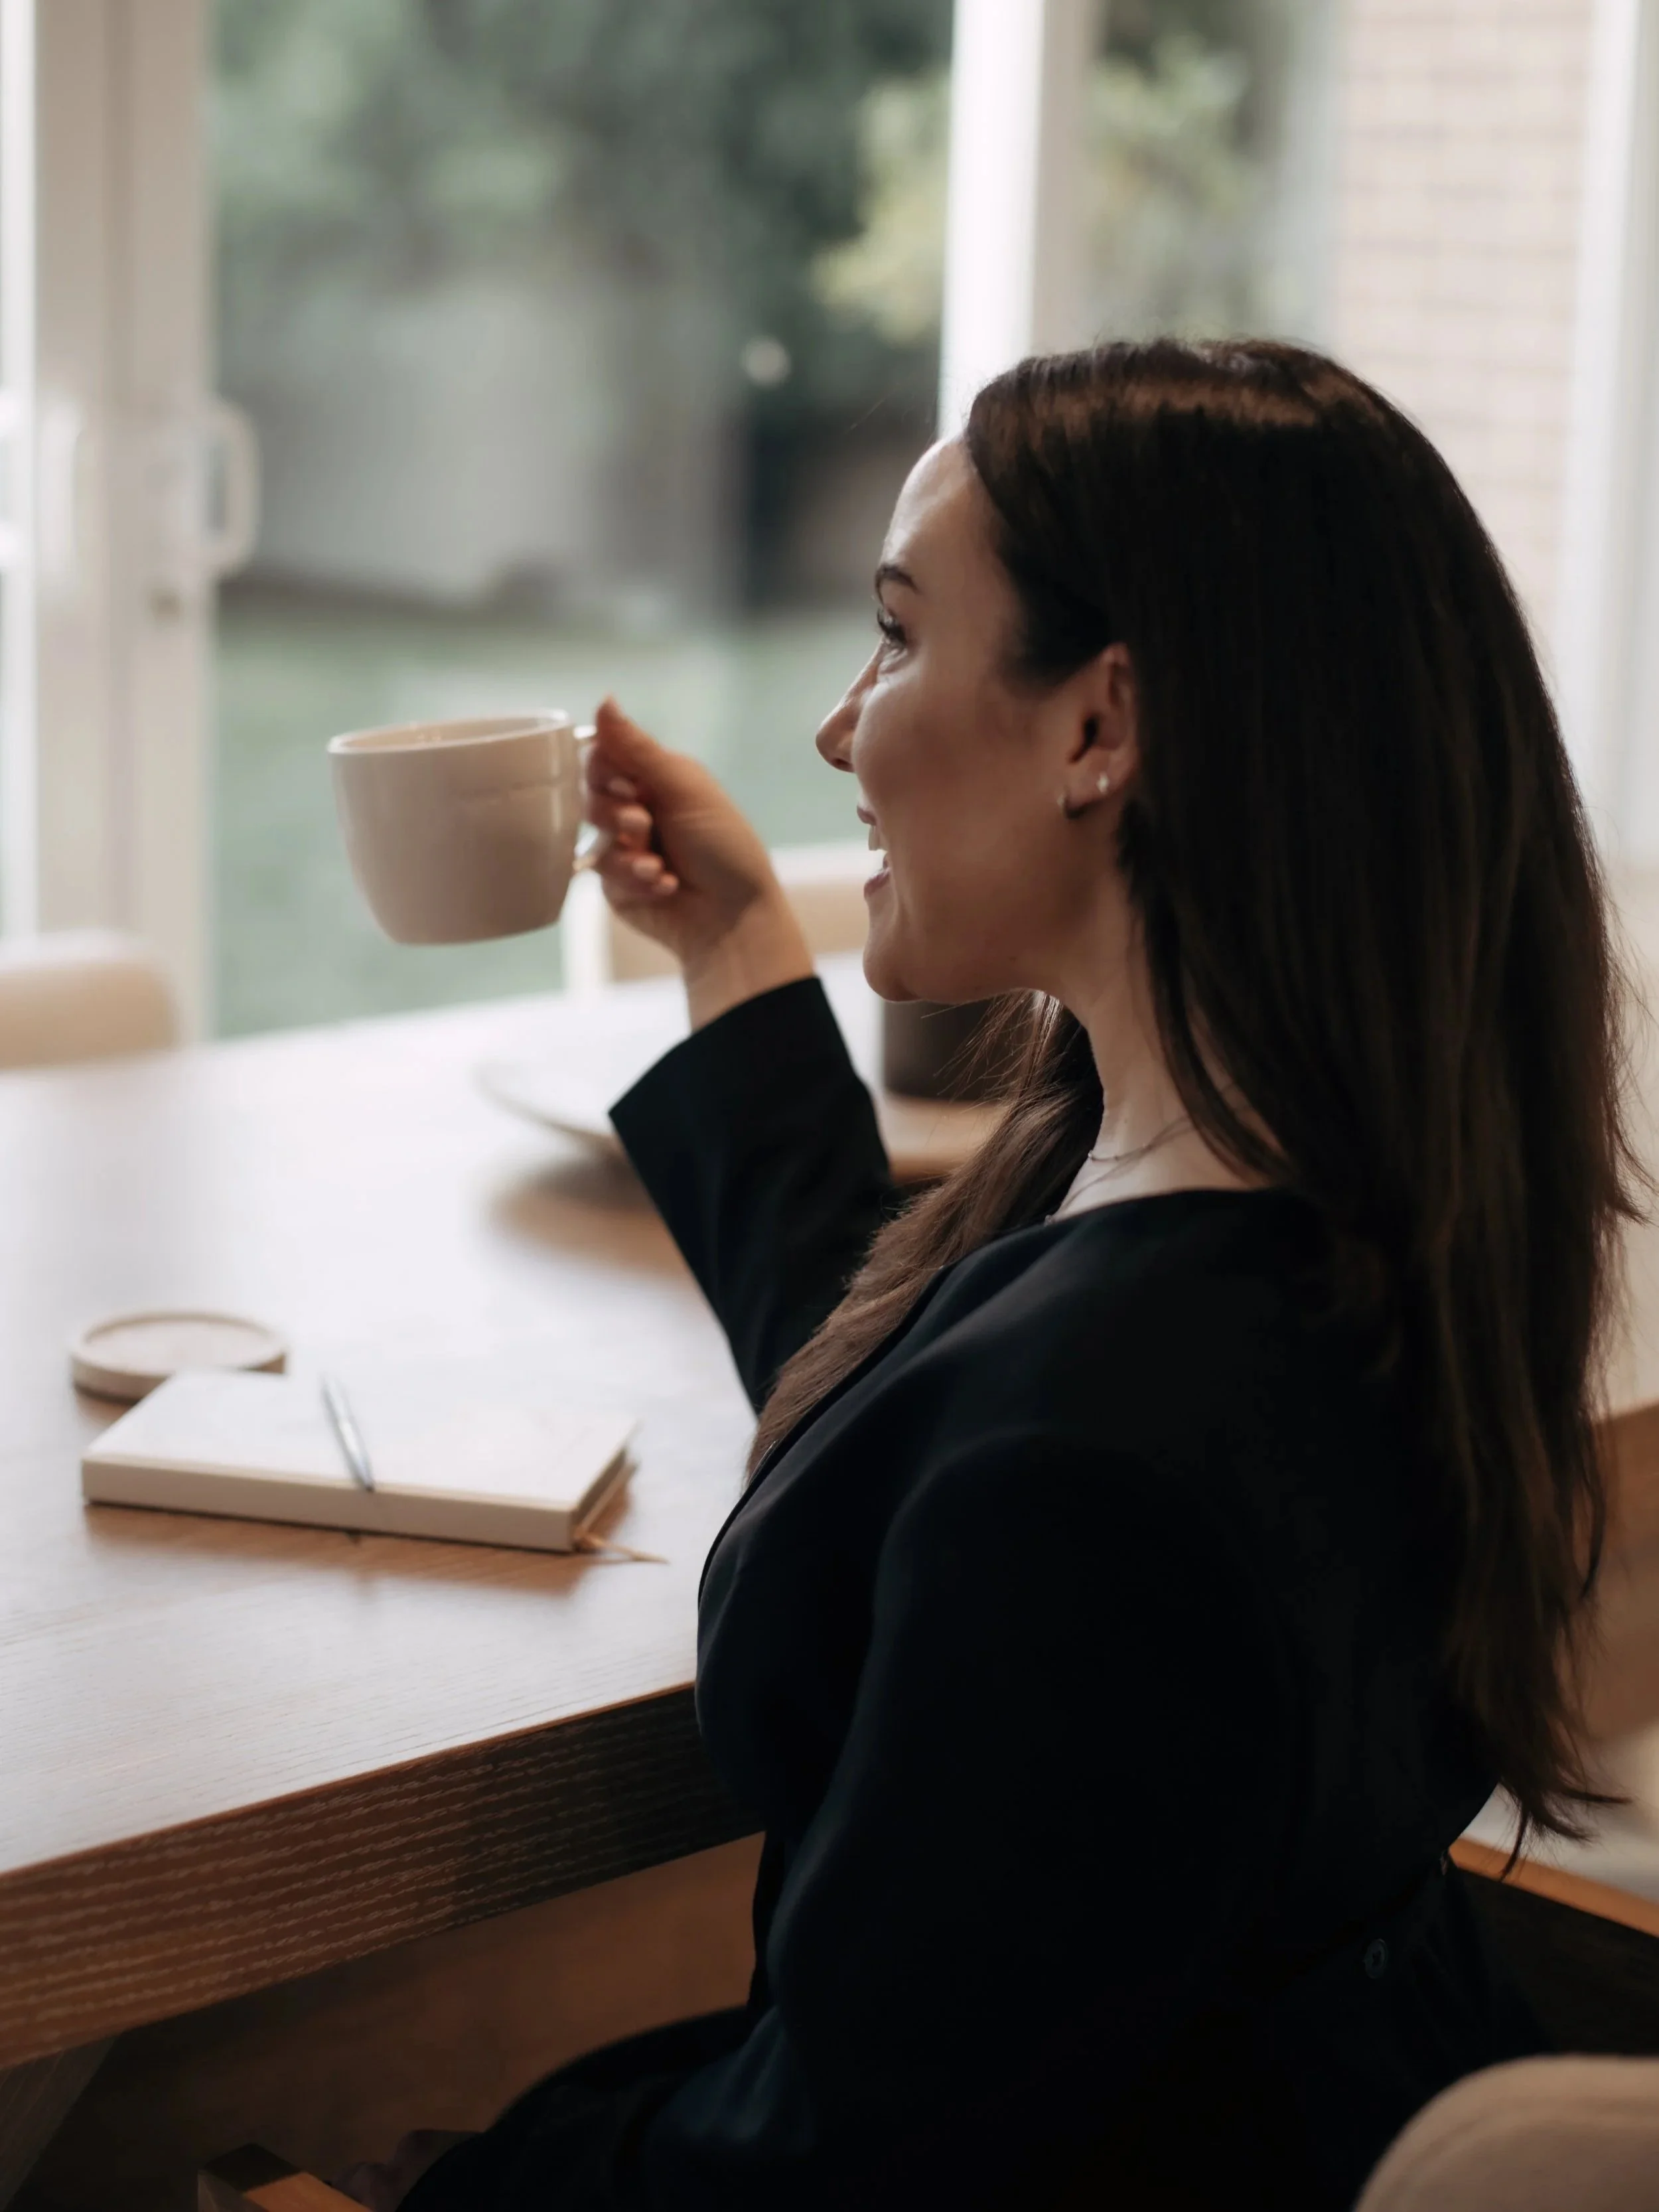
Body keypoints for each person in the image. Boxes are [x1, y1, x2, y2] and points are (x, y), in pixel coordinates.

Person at [380, 340, 1640, 2210]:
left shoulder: (1086, 1485)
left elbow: (825, 2174)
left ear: (1096, 726)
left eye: (895, 637)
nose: (837, 729)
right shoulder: (1332, 1216)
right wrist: (731, 941)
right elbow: (939, 1392)